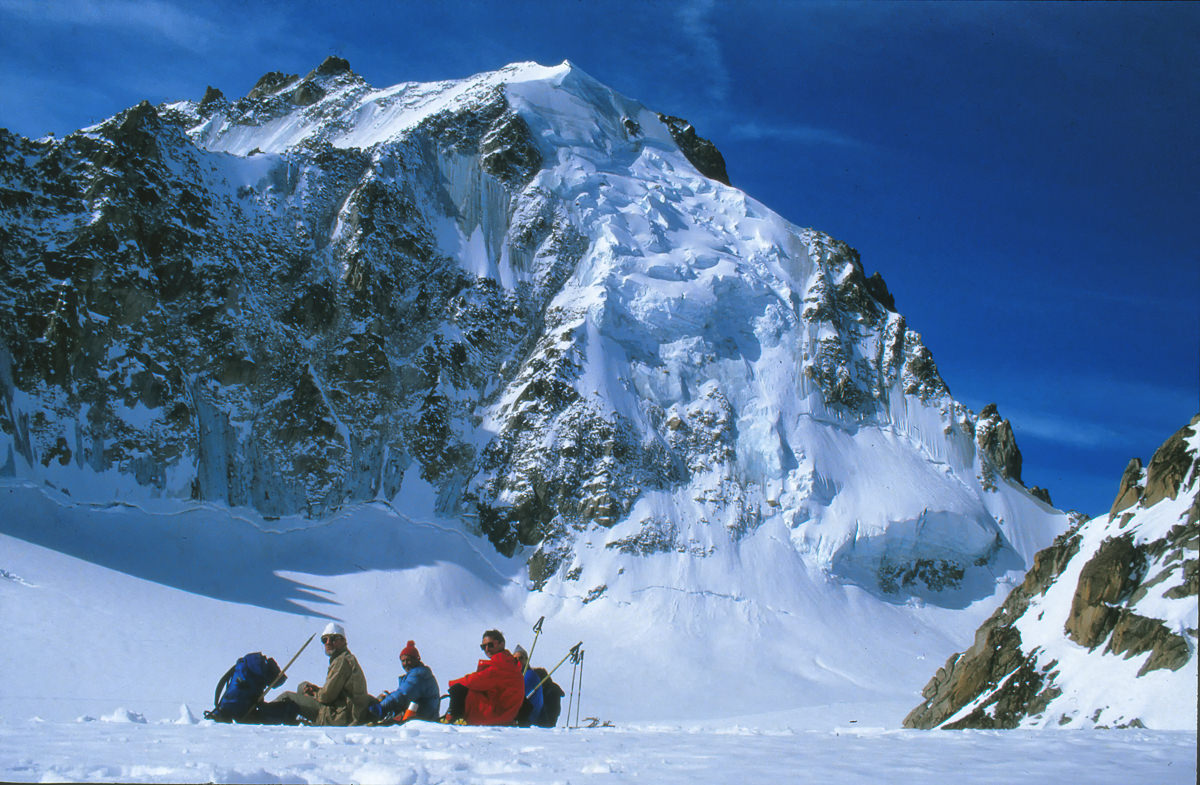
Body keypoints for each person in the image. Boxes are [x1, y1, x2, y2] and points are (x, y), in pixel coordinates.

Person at [267, 622, 371, 726]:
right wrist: (315, 690)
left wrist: (314, 694)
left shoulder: (342, 661)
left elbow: (326, 696)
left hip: (338, 716)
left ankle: (262, 715)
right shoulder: (345, 658)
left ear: (343, 641)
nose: (328, 642)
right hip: (344, 709)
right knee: (302, 686)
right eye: (324, 640)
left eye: (333, 638)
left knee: (287, 697)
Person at [442, 629, 524, 725]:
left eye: (490, 645)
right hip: (504, 713)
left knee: (459, 689)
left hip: (496, 714)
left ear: (501, 644)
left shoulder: (502, 664)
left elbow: (476, 681)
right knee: (465, 689)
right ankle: (452, 717)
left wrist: (452, 684)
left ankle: (452, 718)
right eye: (483, 646)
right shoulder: (507, 662)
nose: (486, 649)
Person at [368, 639, 441, 722]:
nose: (405, 663)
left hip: (422, 720)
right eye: (403, 661)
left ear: (417, 659)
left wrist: (382, 707)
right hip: (421, 718)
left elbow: (403, 695)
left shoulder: (419, 675)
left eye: (408, 660)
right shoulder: (417, 674)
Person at [512, 645, 543, 727]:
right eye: (515, 659)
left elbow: (517, 695)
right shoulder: (519, 675)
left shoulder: (529, 675)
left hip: (530, 718)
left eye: (521, 658)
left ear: (526, 660)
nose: (518, 661)